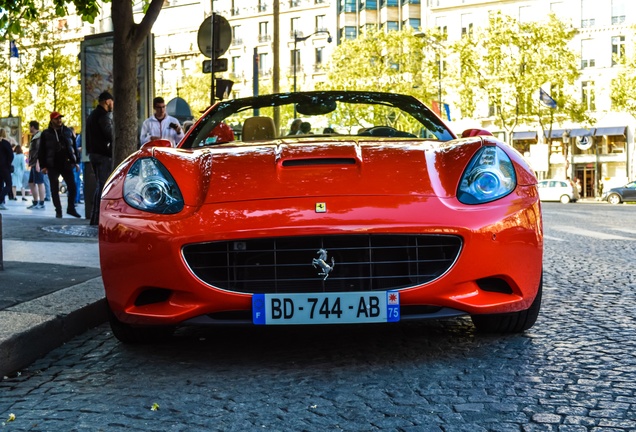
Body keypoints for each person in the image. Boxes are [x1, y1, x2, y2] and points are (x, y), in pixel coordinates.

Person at [38, 111, 81, 218]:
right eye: (57, 118)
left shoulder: (67, 131)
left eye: (60, 118)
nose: (59, 120)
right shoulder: (46, 133)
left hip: (66, 163)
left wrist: (75, 162)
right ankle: (58, 210)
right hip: (52, 164)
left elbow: (73, 147)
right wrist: (43, 166)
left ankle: (71, 208)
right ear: (52, 120)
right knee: (54, 188)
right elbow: (41, 151)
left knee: (72, 187)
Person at [86, 90, 114, 225]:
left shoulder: (92, 115)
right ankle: (98, 218)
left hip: (93, 154)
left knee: (99, 185)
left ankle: (94, 217)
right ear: (107, 101)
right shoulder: (103, 116)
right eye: (111, 101)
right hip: (103, 155)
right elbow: (110, 134)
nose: (112, 104)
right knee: (103, 186)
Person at [26, 121, 46, 210]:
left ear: (33, 127)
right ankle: (35, 201)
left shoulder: (38, 137)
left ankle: (41, 203)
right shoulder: (35, 136)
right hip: (34, 162)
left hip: (37, 163)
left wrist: (38, 163)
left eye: (29, 127)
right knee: (31, 182)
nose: (29, 128)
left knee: (40, 182)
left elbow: (39, 151)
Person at [0, 128, 13, 211]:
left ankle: (1, 202)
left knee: (0, 184)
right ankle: (1, 198)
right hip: (4, 167)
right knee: (9, 184)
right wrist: (9, 164)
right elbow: (11, 155)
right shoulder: (5, 143)